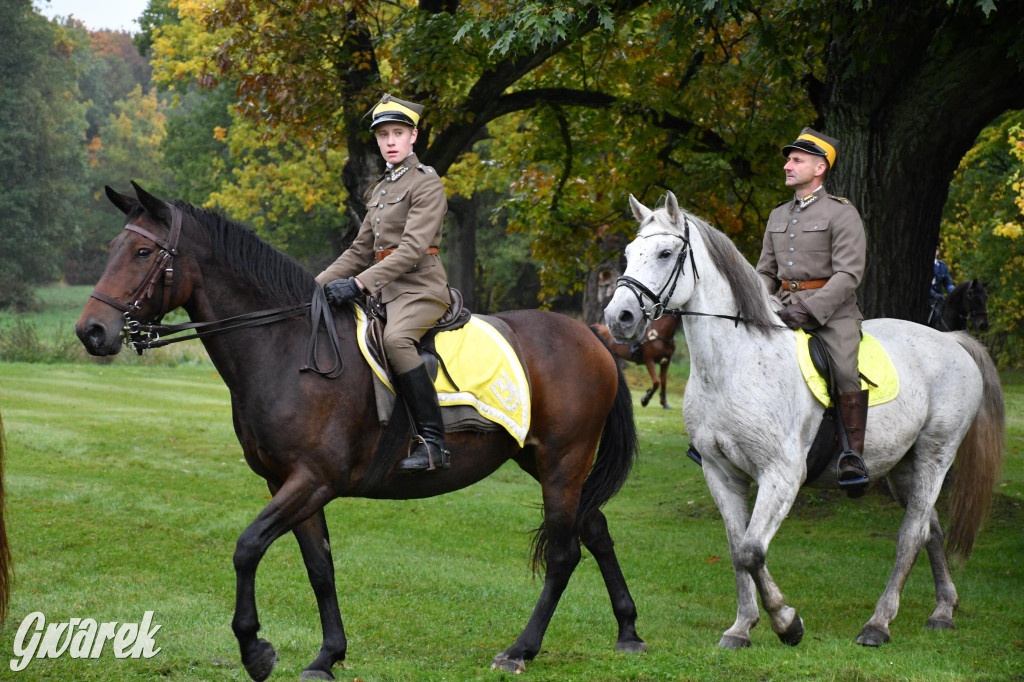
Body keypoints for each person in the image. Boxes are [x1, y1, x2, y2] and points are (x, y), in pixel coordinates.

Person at [317, 94, 452, 473]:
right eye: (383, 135)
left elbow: (410, 250)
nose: (390, 141)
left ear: (413, 136)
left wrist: (357, 285)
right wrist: (310, 287)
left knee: (396, 341)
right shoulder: (379, 190)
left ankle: (433, 444)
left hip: (420, 289)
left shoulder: (427, 183)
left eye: (398, 133)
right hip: (381, 291)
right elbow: (359, 251)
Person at [755, 127, 870, 492]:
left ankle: (852, 454)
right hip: (781, 308)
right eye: (789, 159)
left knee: (844, 369)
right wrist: (760, 301)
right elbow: (765, 272)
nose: (787, 165)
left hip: (832, 313)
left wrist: (808, 310)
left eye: (796, 160)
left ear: (819, 168)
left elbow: (849, 274)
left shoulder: (841, 213)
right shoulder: (778, 215)